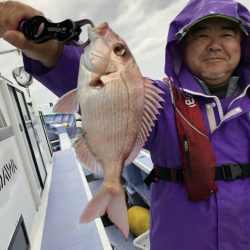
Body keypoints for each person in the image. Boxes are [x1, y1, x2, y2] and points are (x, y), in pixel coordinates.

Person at [1, 0, 250, 249]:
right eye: (202, 35)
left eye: (227, 34)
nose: (215, 45)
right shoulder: (162, 101)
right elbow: (98, 88)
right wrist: (52, 50)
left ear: (242, 44)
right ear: (181, 47)